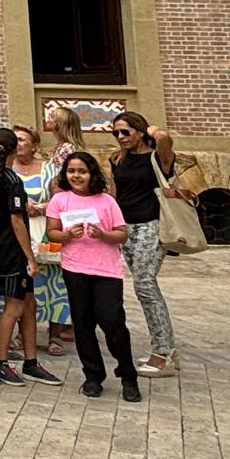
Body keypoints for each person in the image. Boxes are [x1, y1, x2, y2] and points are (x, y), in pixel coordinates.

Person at [46, 151, 140, 402]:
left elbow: (122, 233)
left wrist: (104, 236)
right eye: (71, 171)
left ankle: (127, 372)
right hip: (75, 268)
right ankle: (93, 375)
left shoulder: (106, 201)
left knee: (112, 321)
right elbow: (52, 233)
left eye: (82, 171)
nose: (76, 176)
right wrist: (68, 235)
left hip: (105, 270)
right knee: (83, 323)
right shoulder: (60, 200)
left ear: (92, 174)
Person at [0, 128, 61, 387]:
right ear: (14, 150)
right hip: (12, 251)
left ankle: (30, 361)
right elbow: (17, 220)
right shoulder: (12, 181)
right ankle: (0, 361)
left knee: (30, 304)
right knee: (14, 307)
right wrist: (30, 257)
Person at [109, 111, 180, 378]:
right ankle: (168, 348)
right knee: (144, 286)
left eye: (126, 131)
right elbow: (114, 195)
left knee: (145, 284)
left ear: (140, 131)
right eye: (116, 132)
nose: (120, 137)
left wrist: (154, 131)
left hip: (152, 224)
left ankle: (162, 352)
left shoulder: (156, 158)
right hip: (127, 227)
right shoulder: (117, 160)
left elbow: (166, 142)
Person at [10, 124, 70, 356]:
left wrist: (41, 207)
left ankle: (54, 334)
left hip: (45, 228)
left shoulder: (50, 170)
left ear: (34, 145)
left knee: (54, 283)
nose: (18, 144)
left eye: (23, 140)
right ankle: (21, 332)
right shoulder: (8, 170)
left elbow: (62, 198)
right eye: (15, 139)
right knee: (23, 283)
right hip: (19, 232)